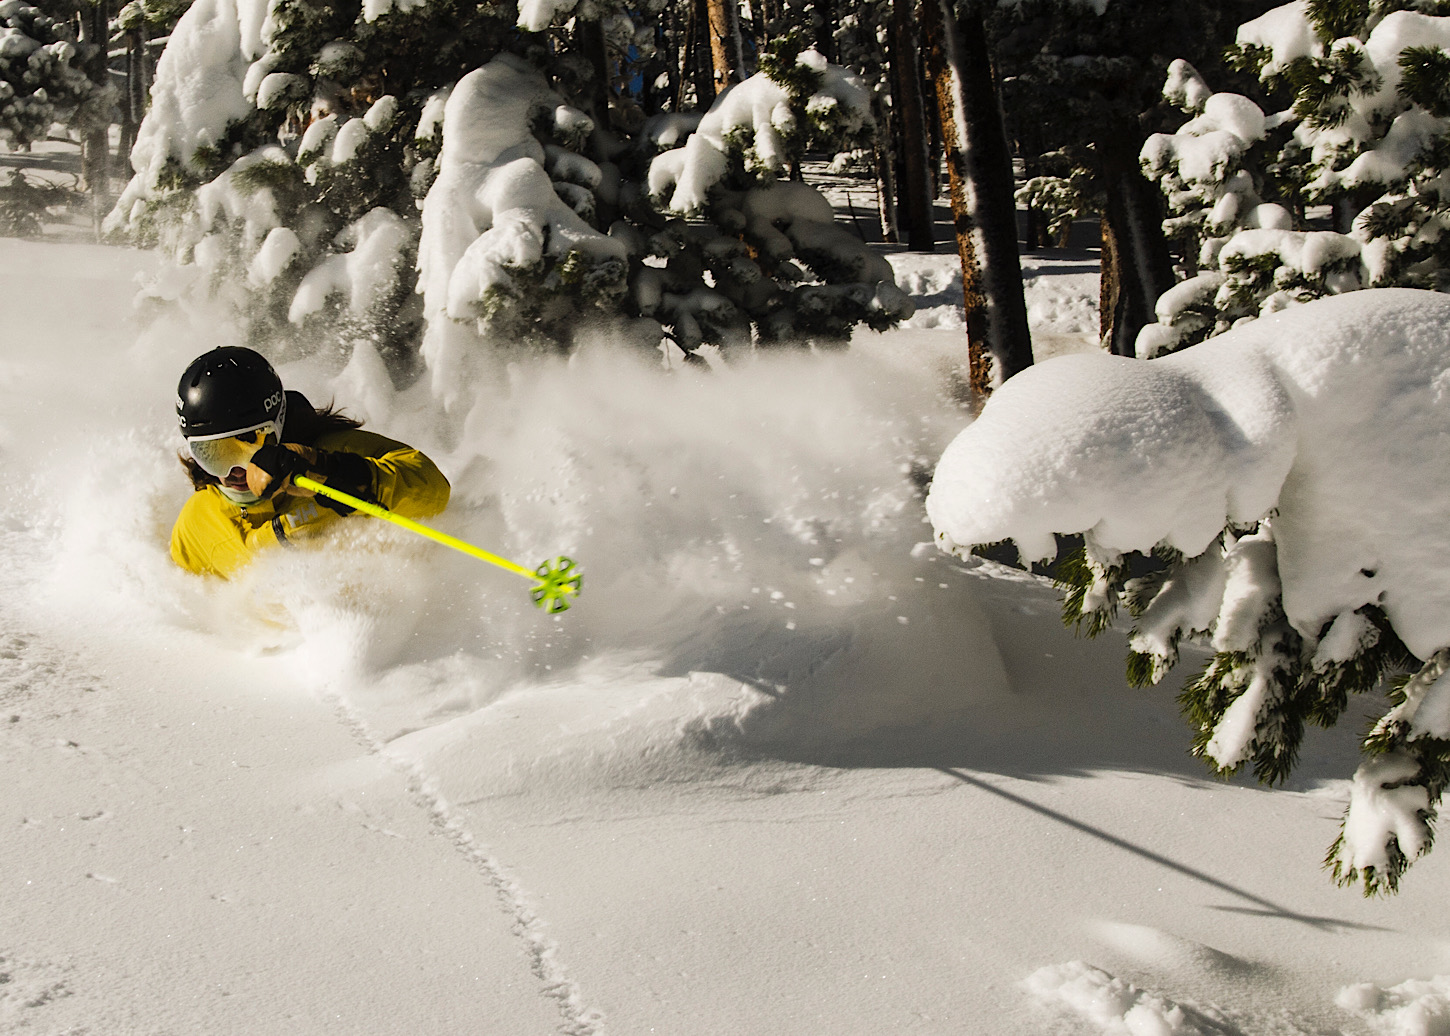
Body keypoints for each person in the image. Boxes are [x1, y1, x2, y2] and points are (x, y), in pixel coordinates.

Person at [170, 346, 450, 577]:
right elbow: (179, 601)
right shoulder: (198, 520)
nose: (236, 471)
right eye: (213, 454)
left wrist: (331, 471)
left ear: (278, 424)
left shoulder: (335, 451)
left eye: (249, 444)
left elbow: (434, 490)